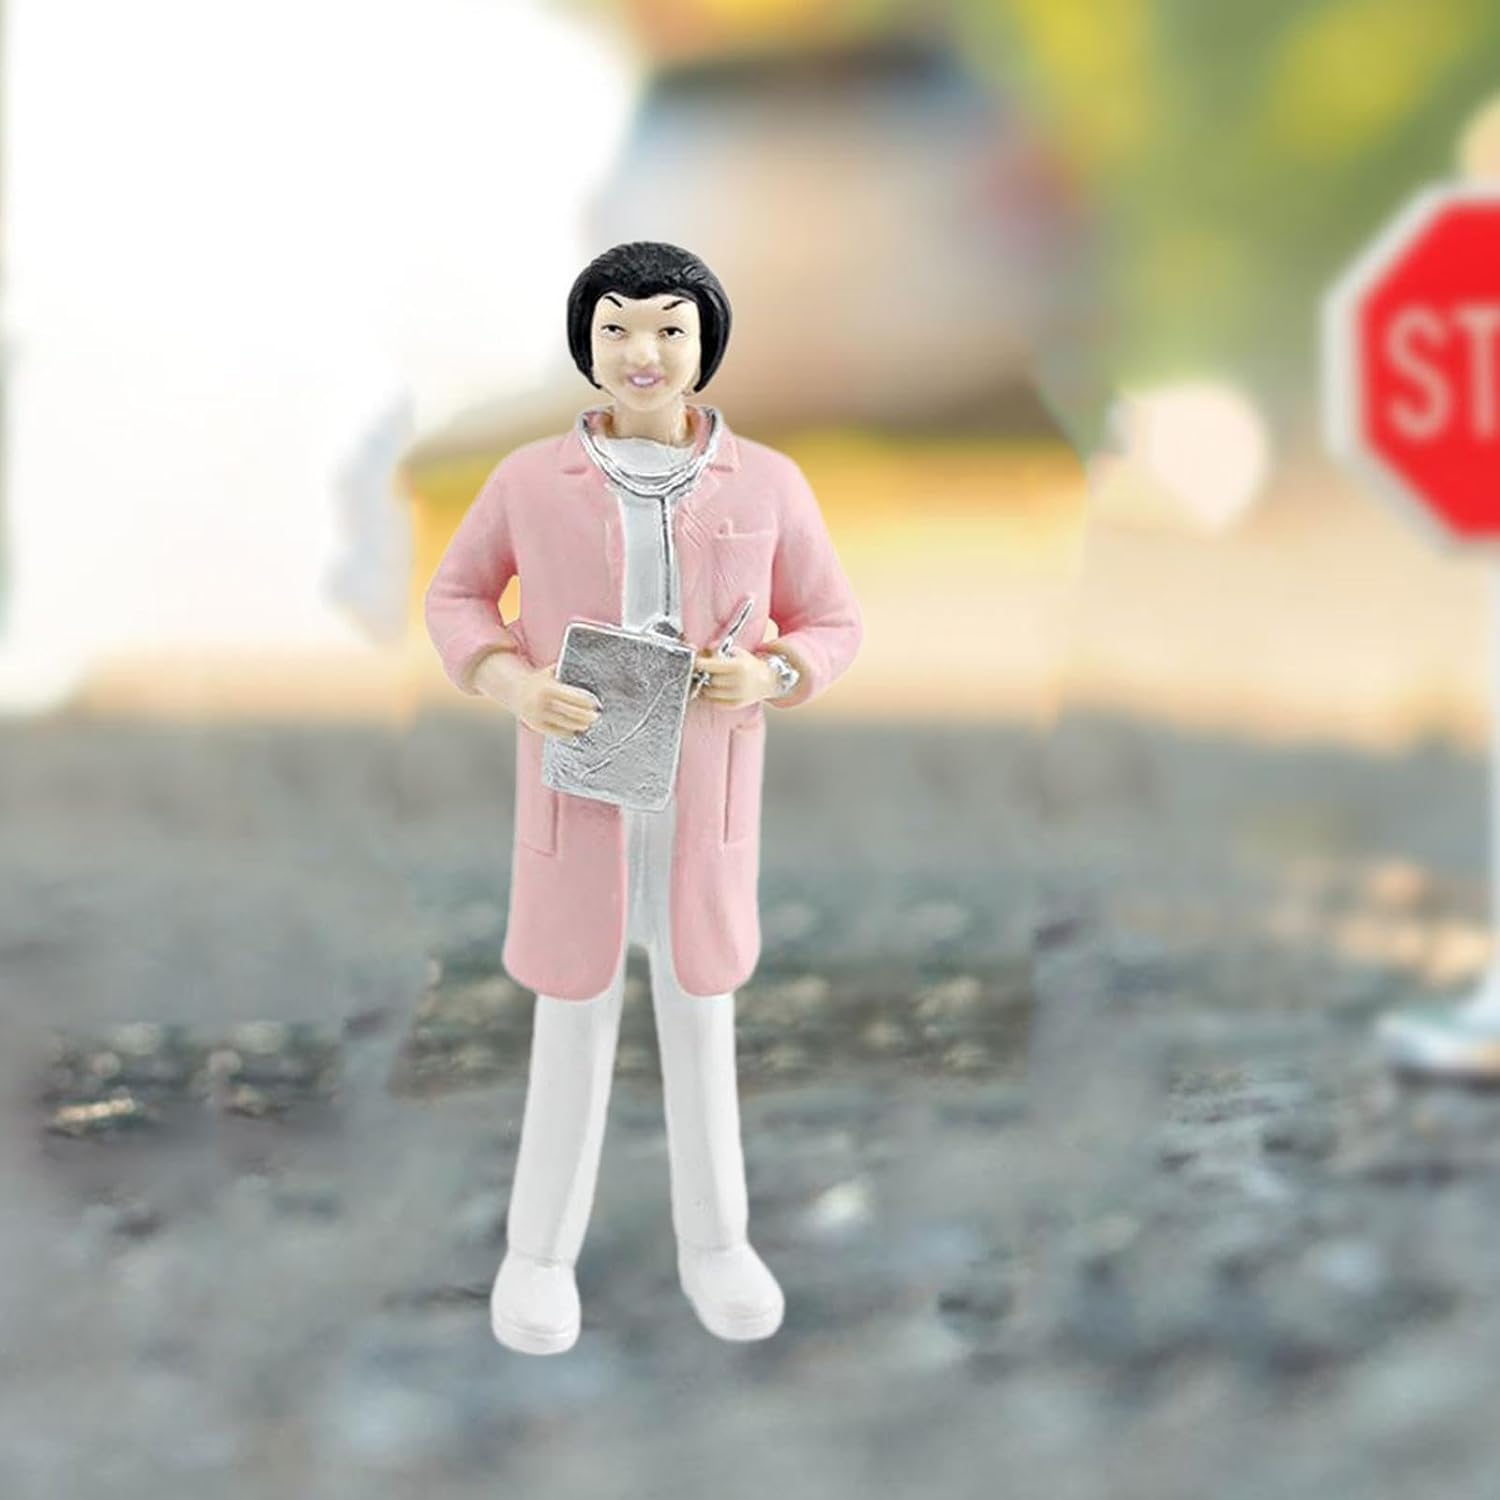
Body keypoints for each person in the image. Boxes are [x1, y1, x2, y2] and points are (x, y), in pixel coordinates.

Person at [424, 241, 863, 1353]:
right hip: (579, 797)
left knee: (700, 1024)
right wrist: (515, 683)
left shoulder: (768, 481)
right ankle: (538, 1255)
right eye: (616, 326)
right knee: (570, 1027)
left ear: (706, 343)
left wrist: (773, 674)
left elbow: (832, 619)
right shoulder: (530, 480)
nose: (643, 351)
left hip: (702, 808)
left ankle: (718, 1241)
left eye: (670, 326)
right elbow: (458, 595)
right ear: (587, 345)